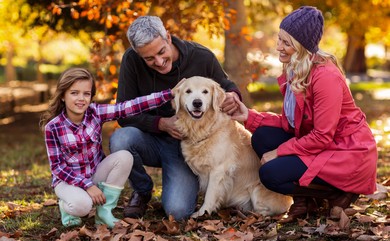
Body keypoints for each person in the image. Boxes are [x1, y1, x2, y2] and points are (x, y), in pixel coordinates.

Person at [231, 6, 377, 223]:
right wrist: (249, 117)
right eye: (279, 39)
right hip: (323, 144)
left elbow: (322, 136)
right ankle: (305, 200)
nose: (278, 47)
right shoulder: (296, 69)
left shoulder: (325, 77)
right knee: (261, 136)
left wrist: (279, 152)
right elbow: (291, 124)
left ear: (302, 47)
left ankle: (338, 193)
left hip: (346, 152)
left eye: (286, 43)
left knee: (270, 174)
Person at [109, 16, 241, 220]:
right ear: (138, 54)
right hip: (151, 140)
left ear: (168, 38)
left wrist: (234, 96)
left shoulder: (201, 57)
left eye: (161, 52)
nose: (159, 62)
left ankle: (188, 185)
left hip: (189, 145)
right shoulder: (131, 60)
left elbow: (226, 85)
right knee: (121, 139)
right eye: (149, 59)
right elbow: (123, 113)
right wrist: (160, 124)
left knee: (178, 212)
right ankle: (142, 191)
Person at [40, 67, 175, 228]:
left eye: (86, 93)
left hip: (95, 173)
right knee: (83, 206)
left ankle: (104, 212)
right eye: (74, 93)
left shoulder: (95, 113)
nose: (81, 99)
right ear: (63, 95)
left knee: (125, 157)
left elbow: (128, 107)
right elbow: (57, 168)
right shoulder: (53, 127)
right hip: (68, 182)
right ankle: (66, 207)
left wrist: (168, 94)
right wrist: (87, 186)